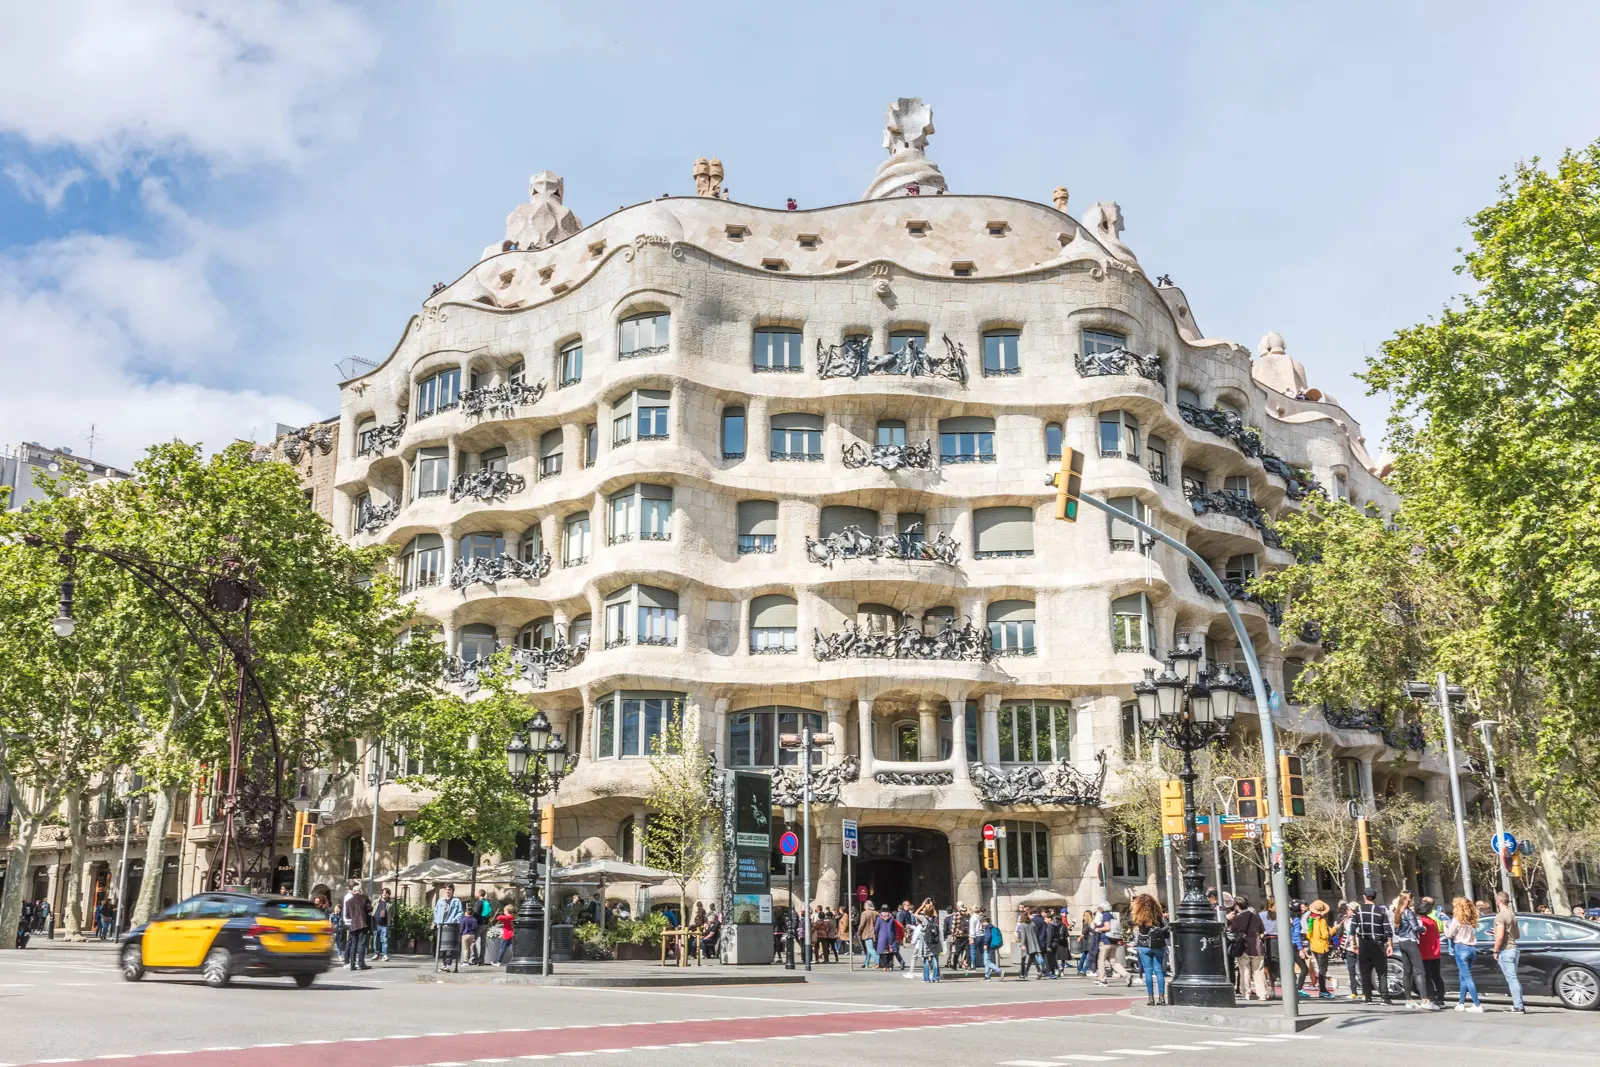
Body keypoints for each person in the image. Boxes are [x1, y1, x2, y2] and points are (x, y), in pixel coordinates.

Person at [1350, 888, 1395, 1005]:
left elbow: (1352, 929)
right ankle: (1384, 997)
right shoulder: (1381, 911)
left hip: (1364, 943)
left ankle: (1368, 997)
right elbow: (1387, 929)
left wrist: (1354, 943)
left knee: (1364, 971)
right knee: (1382, 972)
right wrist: (1390, 944)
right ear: (1375, 897)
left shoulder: (1357, 910)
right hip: (1378, 944)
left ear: (1364, 897)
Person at [1389, 891, 1431, 1009]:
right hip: (1410, 942)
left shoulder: (1398, 912)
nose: (1413, 901)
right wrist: (1424, 928)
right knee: (1420, 971)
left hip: (1402, 942)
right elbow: (1416, 928)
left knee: (1407, 972)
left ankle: (1409, 1000)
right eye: (1412, 899)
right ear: (1409, 900)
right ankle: (1425, 1000)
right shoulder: (1408, 912)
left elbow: (1396, 931)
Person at [1443, 897, 1483, 1011]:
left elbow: (1449, 934)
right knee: (1463, 977)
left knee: (1467, 977)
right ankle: (1461, 1003)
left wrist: (1445, 924)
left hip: (1461, 948)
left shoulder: (1457, 919)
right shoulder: (1471, 919)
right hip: (1471, 948)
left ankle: (1477, 1004)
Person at [1130, 893, 1169, 1006]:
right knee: (1159, 971)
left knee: (1148, 972)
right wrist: (1158, 931)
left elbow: (1130, 922)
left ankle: (1150, 998)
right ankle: (1161, 998)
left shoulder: (1138, 916)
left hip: (1143, 945)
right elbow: (1166, 926)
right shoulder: (1157, 915)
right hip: (1157, 945)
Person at [1228, 895, 1270, 1000]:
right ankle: (1262, 994)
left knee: (1244, 970)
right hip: (1257, 946)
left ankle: (1246, 993)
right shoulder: (1256, 916)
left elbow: (1232, 931)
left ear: (1237, 906)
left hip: (1243, 947)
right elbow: (1262, 931)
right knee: (1258, 971)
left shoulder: (1237, 918)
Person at [1492, 890, 1525, 1013]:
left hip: (1506, 950)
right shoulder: (1512, 915)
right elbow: (1517, 935)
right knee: (1513, 978)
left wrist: (1495, 950)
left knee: (1512, 979)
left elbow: (1500, 936)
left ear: (1498, 901)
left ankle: (1518, 1006)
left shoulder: (1500, 916)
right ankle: (1518, 1004)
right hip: (1514, 948)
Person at [1095, 903, 1132, 986]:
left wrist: (1098, 929)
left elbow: (1107, 927)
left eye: (1099, 908)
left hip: (1105, 941)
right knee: (1113, 961)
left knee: (1101, 960)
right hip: (1113, 941)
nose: (1098, 910)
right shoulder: (1112, 915)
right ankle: (1127, 975)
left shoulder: (1105, 915)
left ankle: (1102, 979)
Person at [1417, 897, 1445, 1007]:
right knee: (1437, 976)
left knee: (1427, 976)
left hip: (1424, 952)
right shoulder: (1432, 921)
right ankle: (1441, 998)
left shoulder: (1420, 921)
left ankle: (1431, 997)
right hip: (1435, 952)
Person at [1305, 900, 1334, 998]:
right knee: (1323, 970)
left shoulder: (1311, 920)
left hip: (1314, 947)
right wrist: (1332, 930)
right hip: (1322, 948)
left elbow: (1309, 935)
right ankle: (1323, 990)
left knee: (1320, 969)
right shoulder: (1322, 921)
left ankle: (1322, 989)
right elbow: (1324, 935)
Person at [432, 884, 464, 967]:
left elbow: (460, 913)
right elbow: (435, 911)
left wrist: (453, 921)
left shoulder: (456, 901)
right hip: (441, 926)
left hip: (450, 926)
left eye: (449, 889)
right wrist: (437, 921)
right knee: (442, 946)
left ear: (452, 891)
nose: (447, 891)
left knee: (449, 946)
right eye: (446, 889)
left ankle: (448, 964)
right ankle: (444, 964)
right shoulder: (440, 901)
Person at [342, 880, 371, 970]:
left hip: (353, 925)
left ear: (353, 892)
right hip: (363, 924)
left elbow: (347, 915)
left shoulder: (349, 902)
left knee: (353, 944)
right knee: (361, 944)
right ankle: (361, 964)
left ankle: (352, 964)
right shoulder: (364, 897)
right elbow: (369, 908)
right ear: (360, 890)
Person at [919, 901, 942, 982]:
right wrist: (932, 906)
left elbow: (915, 914)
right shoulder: (935, 919)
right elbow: (935, 914)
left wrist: (922, 905)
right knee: (935, 958)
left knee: (926, 960)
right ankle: (936, 977)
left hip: (926, 943)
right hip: (935, 942)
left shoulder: (923, 918)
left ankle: (926, 978)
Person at [1016, 905, 1041, 979]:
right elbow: (1036, 932)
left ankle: (1022, 974)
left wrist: (1022, 944)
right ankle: (1039, 971)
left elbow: (1023, 936)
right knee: (1033, 958)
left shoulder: (1023, 925)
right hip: (1033, 943)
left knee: (1023, 959)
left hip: (1026, 944)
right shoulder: (1032, 924)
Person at [980, 908, 1003, 980]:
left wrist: (985, 944)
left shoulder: (987, 927)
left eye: (982, 922)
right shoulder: (992, 927)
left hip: (989, 946)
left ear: (985, 922)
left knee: (986, 962)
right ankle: (987, 976)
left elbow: (988, 936)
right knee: (988, 961)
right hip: (992, 946)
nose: (982, 924)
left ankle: (999, 971)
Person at [873, 905, 898, 970]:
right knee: (890, 950)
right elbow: (894, 928)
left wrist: (876, 933)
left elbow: (876, 928)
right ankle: (890, 965)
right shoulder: (891, 917)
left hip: (882, 936)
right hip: (890, 935)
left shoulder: (879, 918)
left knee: (883, 951)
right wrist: (894, 934)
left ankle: (884, 966)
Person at [858, 900, 879, 968]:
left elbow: (862, 924)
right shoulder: (876, 913)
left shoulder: (864, 913)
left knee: (870, 948)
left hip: (866, 932)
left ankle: (878, 962)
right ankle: (866, 963)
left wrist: (859, 932)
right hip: (874, 932)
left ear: (867, 906)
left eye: (865, 905)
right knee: (869, 948)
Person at [1077, 908, 1098, 976]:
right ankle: (1084, 970)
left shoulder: (1085, 922)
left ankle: (1079, 969)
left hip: (1086, 940)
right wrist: (1080, 937)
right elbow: (1085, 932)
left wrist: (1081, 937)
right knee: (1089, 956)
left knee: (1084, 955)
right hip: (1090, 941)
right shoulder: (1090, 923)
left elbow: (1084, 932)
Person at [373, 889, 392, 961]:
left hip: (385, 924)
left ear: (389, 895)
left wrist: (389, 922)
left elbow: (391, 914)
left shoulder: (390, 904)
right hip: (376, 923)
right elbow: (372, 910)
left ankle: (384, 955)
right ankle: (376, 954)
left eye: (386, 893)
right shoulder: (376, 902)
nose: (384, 894)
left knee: (385, 940)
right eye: (383, 893)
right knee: (376, 939)